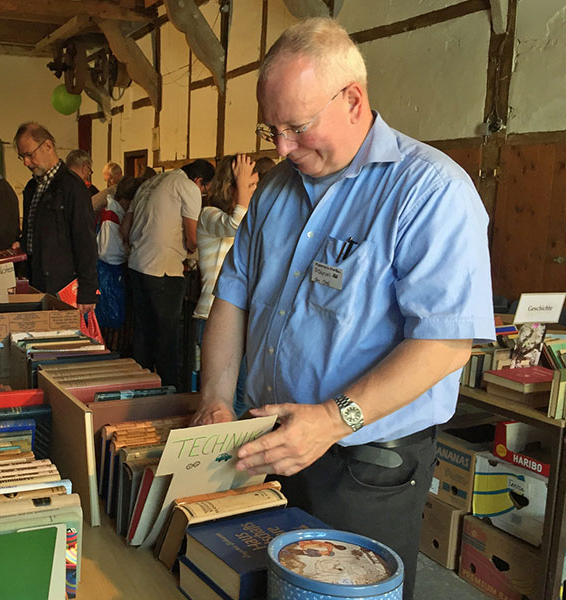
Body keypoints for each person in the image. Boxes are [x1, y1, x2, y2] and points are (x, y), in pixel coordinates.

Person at [191, 18, 494, 600]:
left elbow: (446, 342)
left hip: (365, 466)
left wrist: (332, 420)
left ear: (353, 99)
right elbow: (231, 297)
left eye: (297, 127)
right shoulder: (277, 190)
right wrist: (216, 400)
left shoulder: (429, 191)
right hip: (262, 442)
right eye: (272, 128)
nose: (281, 147)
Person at [123, 159, 215, 388]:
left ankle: (141, 387)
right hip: (163, 270)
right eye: (205, 190)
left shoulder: (151, 182)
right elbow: (192, 239)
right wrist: (198, 252)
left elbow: (125, 228)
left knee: (143, 332)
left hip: (136, 266)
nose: (203, 194)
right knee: (167, 336)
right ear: (199, 181)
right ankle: (168, 390)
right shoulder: (188, 187)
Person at [194, 154, 257, 415]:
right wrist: (243, 185)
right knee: (225, 403)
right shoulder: (209, 214)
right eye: (249, 187)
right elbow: (235, 226)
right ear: (230, 188)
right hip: (211, 316)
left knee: (244, 396)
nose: (254, 193)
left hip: (241, 318)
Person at [13, 122, 98, 314]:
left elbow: (85, 241)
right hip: (35, 281)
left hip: (62, 285)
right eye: (22, 157)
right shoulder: (32, 187)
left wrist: (87, 290)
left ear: (48, 146)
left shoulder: (72, 187)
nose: (26, 162)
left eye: (29, 154)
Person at [96, 176, 141, 353]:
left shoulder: (115, 213)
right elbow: (107, 252)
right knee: (113, 324)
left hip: (115, 275)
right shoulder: (111, 216)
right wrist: (132, 252)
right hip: (112, 276)